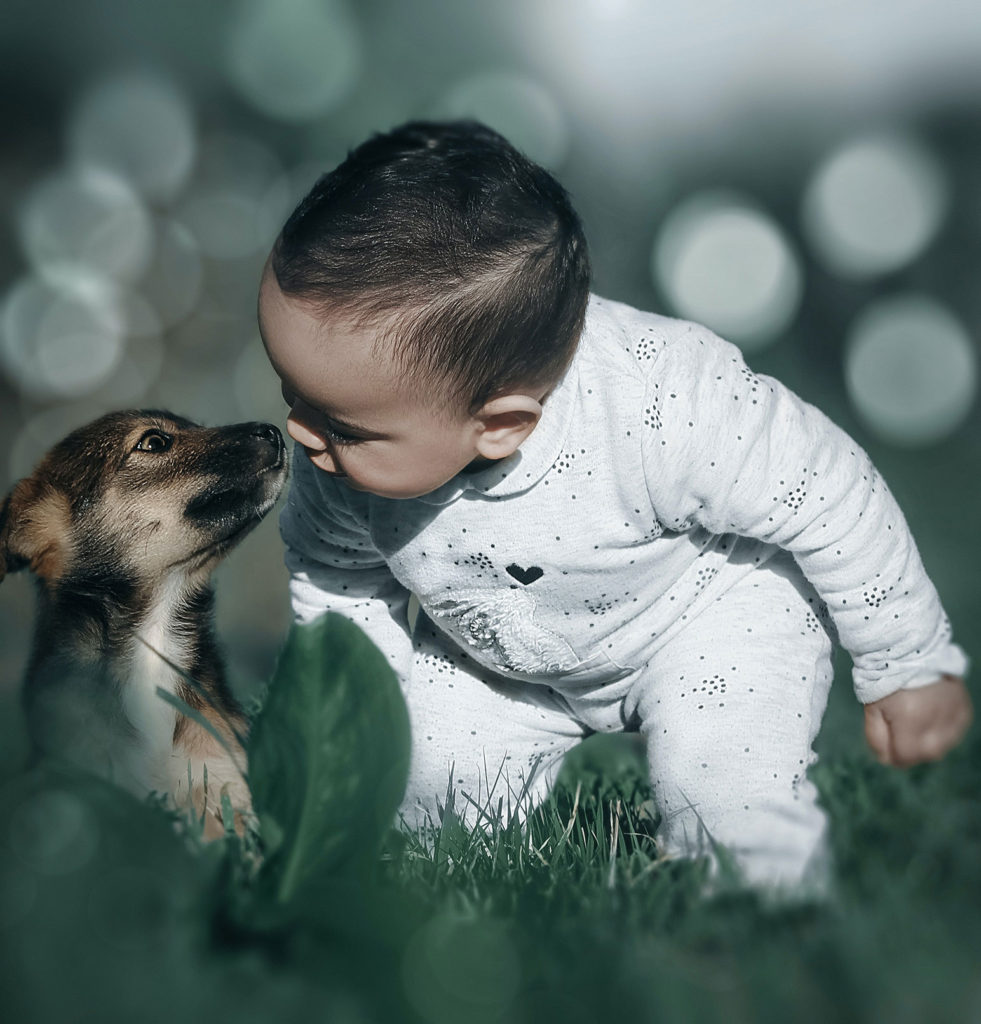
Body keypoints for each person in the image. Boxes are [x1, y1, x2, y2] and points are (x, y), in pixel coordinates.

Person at [257, 119, 972, 896]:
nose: (302, 434)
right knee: (420, 799)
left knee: (724, 789)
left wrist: (906, 664)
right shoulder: (337, 461)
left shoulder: (664, 405)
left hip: (706, 618)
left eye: (340, 425)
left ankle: (762, 916)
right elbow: (339, 584)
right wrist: (349, 721)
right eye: (294, 394)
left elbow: (828, 492)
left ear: (500, 426)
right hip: (501, 659)